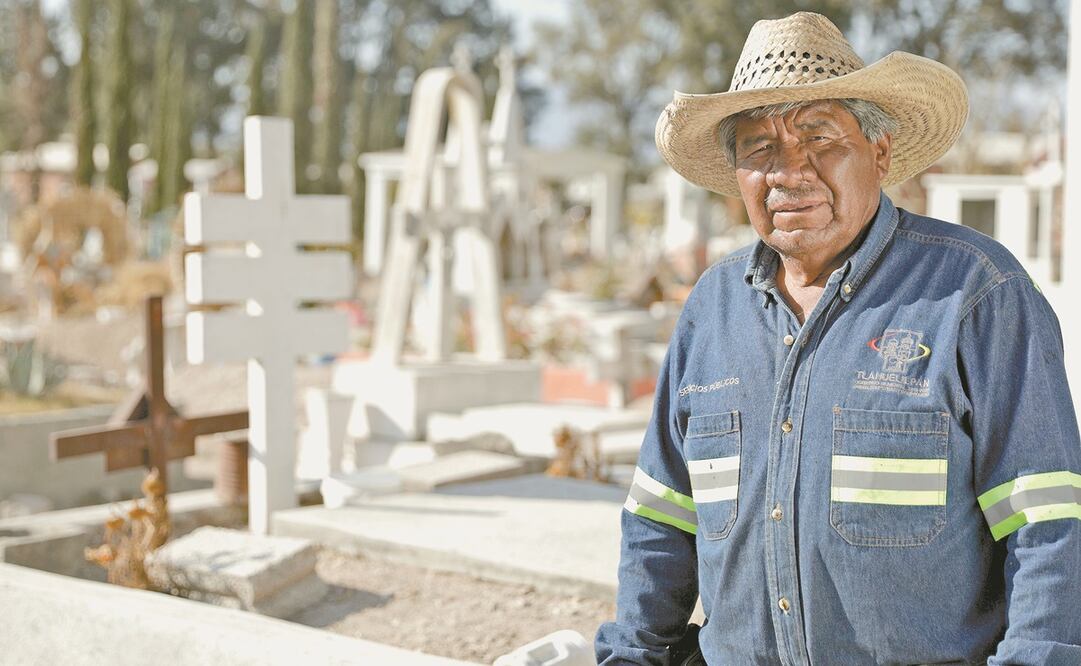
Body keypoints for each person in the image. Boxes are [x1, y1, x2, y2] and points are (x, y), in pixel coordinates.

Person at [595, 11, 1081, 665]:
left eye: (818, 137)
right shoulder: (711, 308)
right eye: (759, 149)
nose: (788, 171)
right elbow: (661, 517)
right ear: (737, 174)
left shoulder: (975, 294)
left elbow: (1046, 521)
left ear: (879, 153)